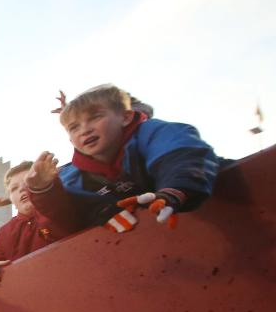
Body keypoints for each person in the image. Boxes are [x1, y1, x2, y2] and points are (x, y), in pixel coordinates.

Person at [30, 83, 218, 233]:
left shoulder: (153, 132)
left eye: (95, 117)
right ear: (69, 138)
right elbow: (67, 215)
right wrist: (43, 189)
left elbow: (182, 154)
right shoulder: (73, 175)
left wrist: (175, 190)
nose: (85, 129)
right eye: (74, 127)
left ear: (127, 117)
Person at [0, 158, 81, 289]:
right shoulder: (4, 231)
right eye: (14, 188)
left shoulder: (57, 210)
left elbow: (56, 212)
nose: (22, 189)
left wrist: (45, 190)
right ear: (11, 198)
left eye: (28, 182)